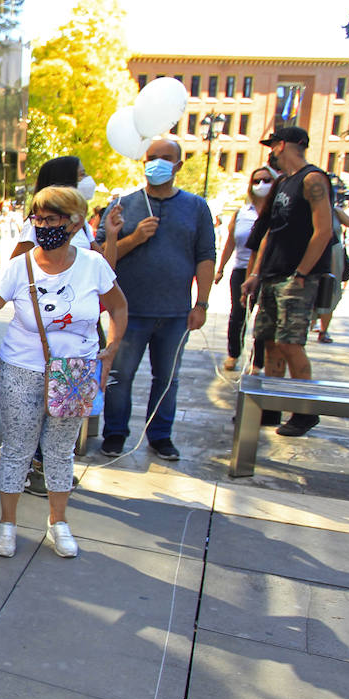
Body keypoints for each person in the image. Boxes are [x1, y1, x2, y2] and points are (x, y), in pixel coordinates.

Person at [0, 186, 127, 558]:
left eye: (51, 218)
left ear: (74, 223)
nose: (42, 226)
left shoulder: (93, 264)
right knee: (18, 448)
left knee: (60, 451)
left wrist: (111, 352)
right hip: (23, 368)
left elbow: (119, 308)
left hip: (75, 371)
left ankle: (58, 522)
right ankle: (7, 523)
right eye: (37, 218)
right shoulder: (19, 266)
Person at [94, 138, 214, 461]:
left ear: (178, 165)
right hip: (130, 311)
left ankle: (160, 435)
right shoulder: (123, 205)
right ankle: (115, 433)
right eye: (151, 157)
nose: (157, 163)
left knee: (168, 377)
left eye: (165, 158)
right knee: (120, 375)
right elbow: (103, 258)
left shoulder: (197, 208)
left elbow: (205, 256)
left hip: (175, 312)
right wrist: (133, 237)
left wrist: (201, 303)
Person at [12, 157, 123, 495]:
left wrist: (114, 235)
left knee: (66, 413)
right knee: (37, 409)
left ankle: (55, 467)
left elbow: (107, 277)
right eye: (79, 175)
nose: (85, 179)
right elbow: (16, 272)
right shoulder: (37, 228)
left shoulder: (81, 226)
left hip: (82, 332)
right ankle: (35, 467)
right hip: (43, 337)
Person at [241, 127, 336, 437]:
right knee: (269, 341)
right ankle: (271, 406)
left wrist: (302, 274)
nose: (271, 153)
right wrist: (256, 273)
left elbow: (323, 231)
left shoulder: (313, 180)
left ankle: (305, 411)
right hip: (272, 274)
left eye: (273, 147)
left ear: (282, 145)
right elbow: (271, 231)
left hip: (297, 276)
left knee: (290, 342)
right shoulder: (283, 182)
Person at [11, 157, 118, 267]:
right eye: (82, 175)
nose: (87, 179)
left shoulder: (79, 223)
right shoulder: (38, 224)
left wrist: (111, 235)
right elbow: (14, 269)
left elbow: (106, 270)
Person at [215, 167, 272, 372]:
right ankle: (233, 353)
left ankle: (258, 361)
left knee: (264, 317)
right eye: (257, 181)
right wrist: (220, 268)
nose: (261, 185)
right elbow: (230, 242)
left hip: (267, 271)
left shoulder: (276, 211)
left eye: (266, 180)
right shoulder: (241, 213)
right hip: (241, 269)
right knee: (238, 313)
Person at [312, 202, 349, 342]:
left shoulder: (335, 211)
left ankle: (324, 331)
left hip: (333, 257)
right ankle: (308, 325)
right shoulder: (305, 208)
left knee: (330, 292)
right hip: (311, 255)